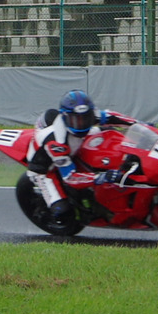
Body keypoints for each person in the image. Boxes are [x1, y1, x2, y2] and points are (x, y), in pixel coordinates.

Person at [26, 90, 141, 220]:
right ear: (65, 118)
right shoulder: (57, 143)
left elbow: (110, 116)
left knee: (110, 133)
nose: (81, 123)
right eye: (75, 120)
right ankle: (48, 207)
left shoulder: (90, 115)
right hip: (46, 169)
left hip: (75, 143)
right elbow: (70, 177)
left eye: (85, 118)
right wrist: (100, 177)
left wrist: (139, 124)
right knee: (62, 211)